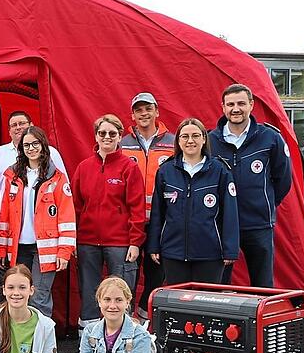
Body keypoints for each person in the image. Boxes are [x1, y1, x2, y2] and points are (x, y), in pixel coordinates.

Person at [209, 83, 292, 287]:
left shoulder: (270, 138)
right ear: (223, 107)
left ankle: (260, 320)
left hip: (258, 223)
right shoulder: (210, 140)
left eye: (241, 103)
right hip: (221, 223)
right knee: (219, 283)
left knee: (262, 283)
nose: (235, 109)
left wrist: (266, 202)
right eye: (230, 104)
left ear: (251, 105)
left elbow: (283, 179)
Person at [70, 114, 145, 334]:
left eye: (112, 133)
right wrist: (73, 240)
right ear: (95, 136)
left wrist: (135, 242)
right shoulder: (84, 168)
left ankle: (120, 341)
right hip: (88, 241)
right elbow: (74, 207)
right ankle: (89, 341)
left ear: (120, 136)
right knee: (89, 290)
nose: (107, 137)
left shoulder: (129, 168)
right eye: (102, 133)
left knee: (120, 292)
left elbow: (137, 208)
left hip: (120, 242)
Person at [0, 126, 75, 318]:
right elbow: (4, 216)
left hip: (45, 249)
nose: (31, 148)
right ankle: (21, 342)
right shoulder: (11, 176)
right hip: (18, 248)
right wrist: (1, 248)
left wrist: (64, 252)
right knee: (19, 296)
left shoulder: (57, 178)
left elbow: (67, 217)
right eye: (26, 145)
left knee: (39, 297)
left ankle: (43, 344)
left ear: (43, 145)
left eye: (35, 143)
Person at [148, 118, 239, 284]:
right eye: (185, 136)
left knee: (207, 304)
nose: (190, 141)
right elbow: (157, 213)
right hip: (173, 252)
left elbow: (230, 213)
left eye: (196, 135)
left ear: (204, 139)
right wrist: (154, 245)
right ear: (178, 141)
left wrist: (230, 249)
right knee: (178, 303)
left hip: (210, 253)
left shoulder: (220, 171)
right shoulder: (165, 171)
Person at [120, 93, 175, 320]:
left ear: (157, 111)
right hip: (128, 222)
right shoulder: (121, 143)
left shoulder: (173, 142)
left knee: (156, 274)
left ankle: (144, 318)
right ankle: (123, 322)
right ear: (132, 115)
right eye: (139, 110)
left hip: (159, 222)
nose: (144, 114)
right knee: (127, 273)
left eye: (148, 109)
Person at [0, 111, 67, 203]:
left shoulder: (51, 152)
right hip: (10, 213)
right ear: (9, 131)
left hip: (45, 211)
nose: (18, 127)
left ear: (32, 125)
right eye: (14, 125)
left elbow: (63, 184)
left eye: (22, 123)